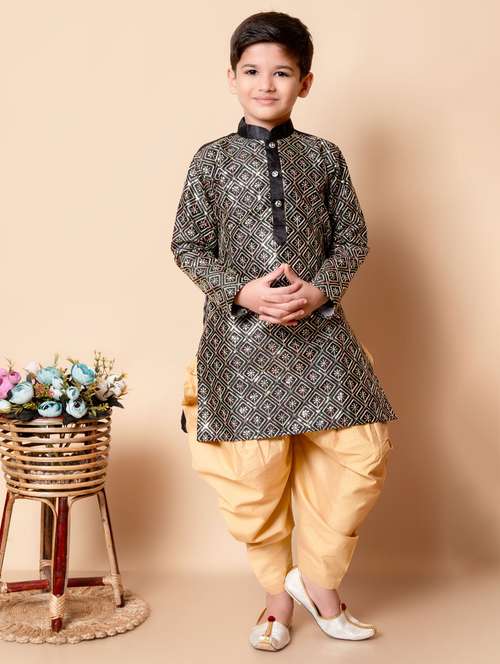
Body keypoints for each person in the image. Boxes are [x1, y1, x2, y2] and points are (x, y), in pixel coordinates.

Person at [170, 10, 398, 652]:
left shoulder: (324, 156)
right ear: (232, 78)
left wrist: (320, 289)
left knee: (359, 452)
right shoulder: (212, 160)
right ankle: (277, 599)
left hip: (318, 332)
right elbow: (187, 245)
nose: (265, 84)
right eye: (252, 71)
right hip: (240, 341)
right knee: (252, 479)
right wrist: (241, 291)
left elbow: (351, 239)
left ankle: (319, 584)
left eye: (282, 72)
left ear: (306, 82)